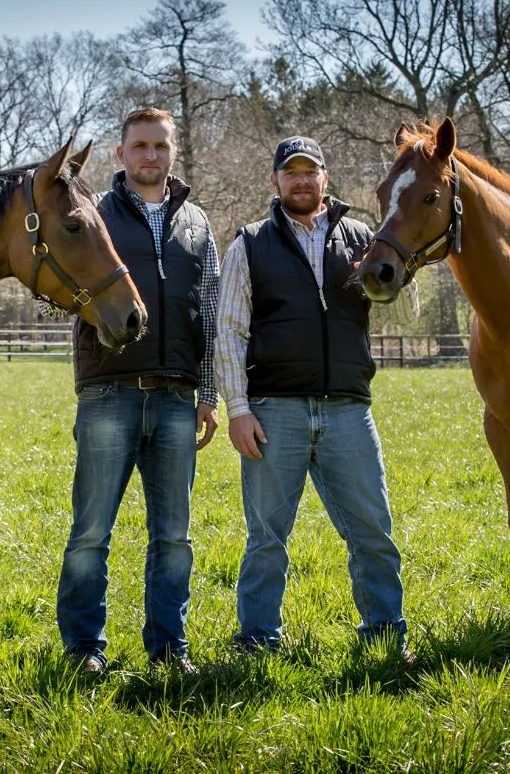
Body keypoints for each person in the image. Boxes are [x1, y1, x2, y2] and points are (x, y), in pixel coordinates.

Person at [214, 135, 408, 655]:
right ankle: (257, 640)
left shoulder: (363, 237)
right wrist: (237, 409)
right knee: (267, 539)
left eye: (311, 171)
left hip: (347, 410)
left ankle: (386, 634)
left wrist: (396, 272)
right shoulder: (249, 243)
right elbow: (229, 330)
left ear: (326, 177)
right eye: (291, 172)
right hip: (275, 411)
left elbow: (397, 310)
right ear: (275, 181)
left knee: (373, 531)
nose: (301, 180)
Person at [57, 108, 220, 674]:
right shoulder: (93, 215)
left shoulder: (197, 223)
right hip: (109, 393)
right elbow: (67, 288)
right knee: (91, 531)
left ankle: (169, 649)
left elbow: (210, 313)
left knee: (173, 536)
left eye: (160, 146)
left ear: (173, 152)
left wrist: (207, 393)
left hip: (177, 399)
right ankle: (83, 649)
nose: (151, 156)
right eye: (140, 146)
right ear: (121, 155)